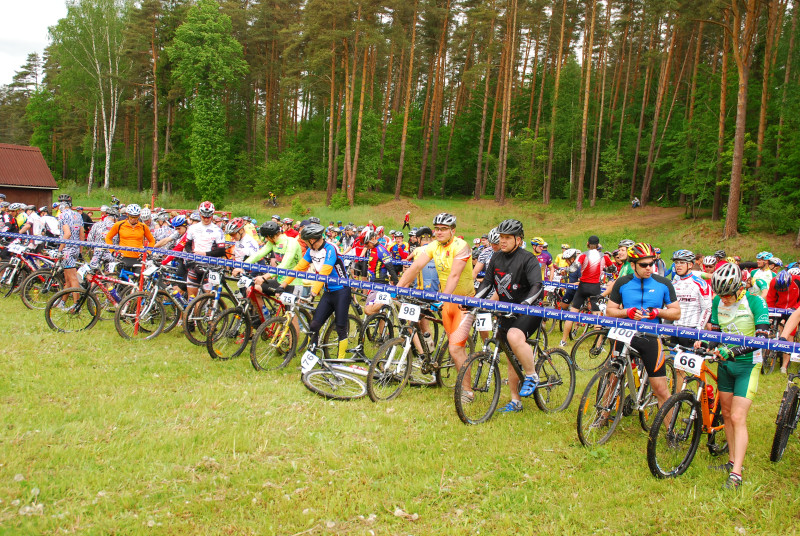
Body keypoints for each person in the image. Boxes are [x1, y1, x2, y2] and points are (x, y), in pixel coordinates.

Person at [702, 262, 769, 490]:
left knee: (739, 417)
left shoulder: (755, 301)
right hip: (725, 365)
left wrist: (733, 351)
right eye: (721, 295)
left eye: (728, 294)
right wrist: (707, 344)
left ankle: (737, 473)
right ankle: (731, 460)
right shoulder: (717, 301)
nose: (725, 299)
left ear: (739, 287)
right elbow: (716, 332)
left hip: (747, 366)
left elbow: (761, 338)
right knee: (728, 414)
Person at [397, 213, 475, 402]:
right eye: (436, 229)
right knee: (451, 344)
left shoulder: (461, 246)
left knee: (456, 349)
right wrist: (397, 288)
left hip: (464, 302)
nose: (439, 232)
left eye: (443, 229)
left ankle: (467, 391)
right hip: (447, 301)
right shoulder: (432, 246)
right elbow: (415, 267)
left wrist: (443, 297)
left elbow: (455, 276)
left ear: (452, 231)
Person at [475, 219, 544, 413]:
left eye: (507, 238)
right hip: (507, 309)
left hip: (530, 309)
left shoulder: (528, 259)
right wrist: (475, 300)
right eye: (501, 237)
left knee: (514, 336)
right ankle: (515, 401)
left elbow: (537, 286)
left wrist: (524, 305)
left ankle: (531, 375)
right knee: (511, 354)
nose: (502, 241)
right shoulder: (496, 257)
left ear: (519, 240)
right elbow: (487, 283)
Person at [605, 243, 681, 409]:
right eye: (644, 265)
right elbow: (610, 311)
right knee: (612, 379)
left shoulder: (663, 283)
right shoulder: (622, 283)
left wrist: (658, 312)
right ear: (633, 265)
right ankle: (601, 417)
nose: (649, 268)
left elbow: (676, 313)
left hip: (651, 338)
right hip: (625, 334)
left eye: (651, 263)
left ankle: (670, 432)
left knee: (661, 389)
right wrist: (627, 312)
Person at [278, 223, 351, 360]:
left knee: (341, 327)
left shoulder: (331, 249)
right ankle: (312, 354)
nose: (305, 243)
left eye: (306, 241)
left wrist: (312, 293)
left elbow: (324, 272)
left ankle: (340, 360)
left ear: (312, 240)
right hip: (328, 292)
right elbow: (299, 268)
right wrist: (283, 284)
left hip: (342, 291)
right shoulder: (311, 251)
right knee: (314, 325)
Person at [560, 235, 607, 347]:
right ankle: (598, 345)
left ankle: (563, 340)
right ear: (598, 245)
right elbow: (612, 269)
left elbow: (573, 268)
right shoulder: (603, 256)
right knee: (596, 316)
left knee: (572, 314)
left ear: (587, 244)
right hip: (595, 287)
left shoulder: (583, 255)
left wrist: (565, 270)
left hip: (583, 286)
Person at [183, 201, 227, 301]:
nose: (206, 219)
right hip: (195, 265)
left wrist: (204, 254)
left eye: (209, 217)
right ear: (200, 215)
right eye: (204, 216)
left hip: (210, 268)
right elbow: (187, 244)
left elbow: (221, 251)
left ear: (212, 216)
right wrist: (191, 254)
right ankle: (193, 316)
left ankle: (209, 315)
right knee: (192, 298)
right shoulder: (193, 228)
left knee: (209, 299)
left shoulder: (217, 230)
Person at [104, 203, 155, 271]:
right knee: (123, 280)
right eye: (131, 217)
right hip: (123, 257)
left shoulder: (143, 226)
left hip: (138, 258)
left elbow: (152, 240)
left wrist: (148, 252)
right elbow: (108, 237)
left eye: (136, 217)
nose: (133, 219)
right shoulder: (119, 224)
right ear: (127, 214)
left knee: (139, 279)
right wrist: (113, 251)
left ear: (139, 216)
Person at [55, 195, 85, 302]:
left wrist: (59, 249)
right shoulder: (78, 215)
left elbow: (67, 234)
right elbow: (82, 234)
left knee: (73, 278)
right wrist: (80, 250)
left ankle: (76, 304)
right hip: (76, 248)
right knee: (68, 279)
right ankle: (62, 302)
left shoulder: (62, 216)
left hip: (67, 249)